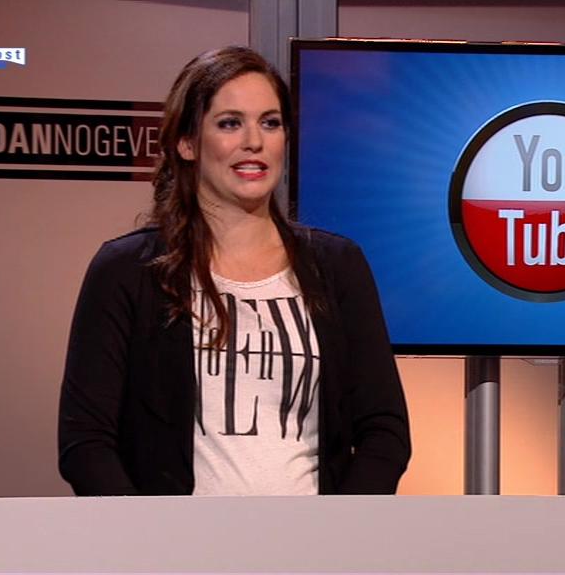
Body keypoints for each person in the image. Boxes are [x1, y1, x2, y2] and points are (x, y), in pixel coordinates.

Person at [57, 46, 410, 496]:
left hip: (314, 537)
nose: (254, 142)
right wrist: (149, 535)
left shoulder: (338, 266)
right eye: (230, 123)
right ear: (187, 142)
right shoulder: (126, 270)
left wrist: (340, 527)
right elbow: (85, 444)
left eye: (270, 122)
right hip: (175, 539)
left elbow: (384, 432)